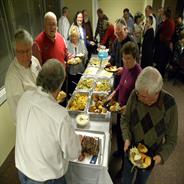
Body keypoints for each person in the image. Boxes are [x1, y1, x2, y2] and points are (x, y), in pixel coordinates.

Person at [15, 59, 81, 184]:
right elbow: (73, 153)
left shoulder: (24, 97)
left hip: (22, 170)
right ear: (59, 85)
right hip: (46, 178)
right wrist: (78, 142)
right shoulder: (60, 115)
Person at [121, 66, 178, 184]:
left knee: (141, 182)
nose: (139, 99)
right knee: (126, 179)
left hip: (150, 156)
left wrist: (159, 158)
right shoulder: (136, 94)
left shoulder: (170, 105)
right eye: (138, 94)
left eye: (144, 97)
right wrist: (126, 138)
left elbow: (171, 139)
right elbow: (125, 119)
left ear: (156, 93)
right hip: (131, 149)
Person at [108, 41, 142, 158]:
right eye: (123, 58)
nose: (125, 61)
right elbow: (121, 85)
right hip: (119, 108)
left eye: (128, 58)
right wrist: (114, 92)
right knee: (118, 132)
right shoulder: (126, 68)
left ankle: (124, 167)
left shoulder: (139, 75)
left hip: (129, 114)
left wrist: (128, 108)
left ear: (135, 58)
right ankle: (119, 152)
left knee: (126, 140)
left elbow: (140, 100)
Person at [5, 29, 41, 122]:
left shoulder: (34, 61)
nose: (25, 56)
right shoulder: (12, 76)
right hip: (30, 123)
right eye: (20, 52)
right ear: (15, 51)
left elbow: (42, 83)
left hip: (43, 113)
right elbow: (19, 112)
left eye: (28, 50)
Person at [109, 18, 138, 88]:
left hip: (128, 77)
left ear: (125, 29)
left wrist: (124, 69)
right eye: (116, 33)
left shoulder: (132, 42)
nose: (117, 36)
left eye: (119, 33)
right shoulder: (116, 41)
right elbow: (113, 55)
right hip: (117, 74)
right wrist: (110, 63)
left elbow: (136, 64)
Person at [67, 25, 88, 94]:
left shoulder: (81, 43)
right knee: (72, 88)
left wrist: (83, 56)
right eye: (72, 36)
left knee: (81, 87)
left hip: (80, 69)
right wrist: (69, 58)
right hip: (71, 71)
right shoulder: (67, 44)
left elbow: (86, 53)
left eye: (75, 36)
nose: (74, 38)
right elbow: (65, 55)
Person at [154, 8, 175, 77]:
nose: (162, 16)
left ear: (165, 15)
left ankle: (158, 76)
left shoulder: (167, 22)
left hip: (163, 44)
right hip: (167, 44)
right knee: (163, 61)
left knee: (161, 61)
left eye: (163, 15)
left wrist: (160, 36)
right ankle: (161, 74)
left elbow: (160, 31)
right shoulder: (172, 22)